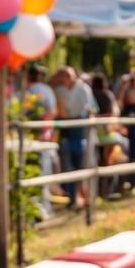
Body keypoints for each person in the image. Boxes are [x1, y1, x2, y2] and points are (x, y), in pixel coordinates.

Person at [52, 67, 94, 208]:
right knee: (67, 164)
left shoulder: (83, 89)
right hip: (66, 130)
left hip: (80, 130)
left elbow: (89, 110)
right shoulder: (59, 90)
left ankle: (84, 197)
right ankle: (73, 198)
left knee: (80, 164)